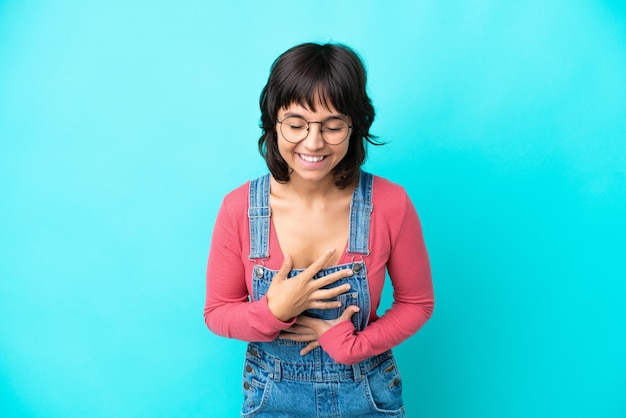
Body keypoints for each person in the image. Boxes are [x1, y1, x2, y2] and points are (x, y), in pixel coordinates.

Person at [204, 42, 434, 417]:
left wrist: (350, 345)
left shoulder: (390, 203)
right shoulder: (239, 208)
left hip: (368, 395)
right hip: (273, 397)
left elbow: (417, 303)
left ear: (354, 126)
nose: (313, 142)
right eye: (296, 124)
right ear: (272, 121)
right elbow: (217, 312)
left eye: (332, 126)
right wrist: (273, 311)